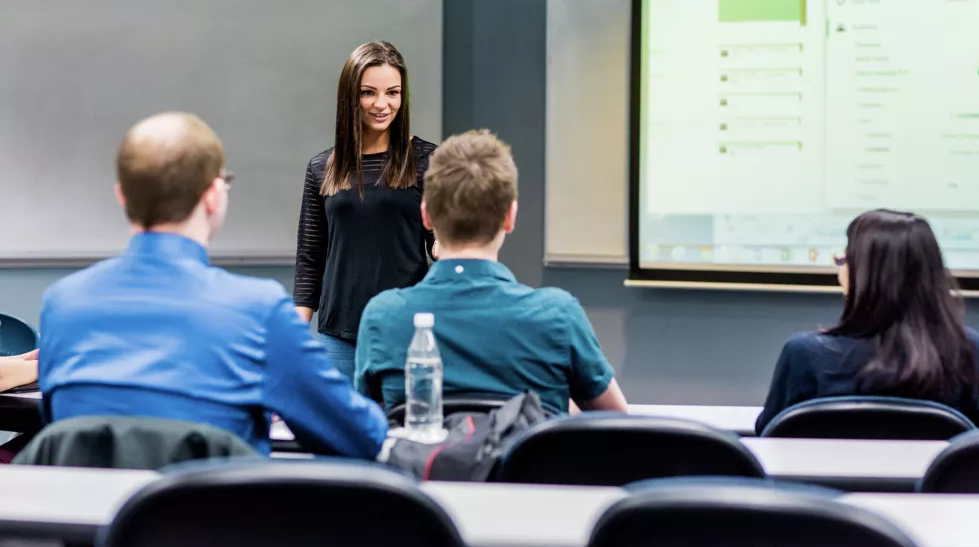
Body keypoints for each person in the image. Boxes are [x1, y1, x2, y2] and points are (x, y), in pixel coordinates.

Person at [37, 112, 387, 457]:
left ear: (122, 196)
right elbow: (362, 436)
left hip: (104, 513)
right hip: (216, 515)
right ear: (213, 196)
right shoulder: (258, 313)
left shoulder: (62, 307)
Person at [355, 129, 628, 416]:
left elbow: (363, 431)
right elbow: (618, 428)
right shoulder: (558, 316)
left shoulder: (382, 318)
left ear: (426, 214)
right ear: (510, 216)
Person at [755, 209, 979, 434]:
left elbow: (768, 434)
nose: (838, 266)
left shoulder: (803, 354)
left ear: (862, 275)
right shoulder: (970, 351)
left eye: (844, 258)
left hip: (827, 485)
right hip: (934, 486)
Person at [294, 41, 437, 379]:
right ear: (350, 97)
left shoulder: (428, 161)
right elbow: (310, 261)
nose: (382, 104)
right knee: (336, 431)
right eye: (368, 93)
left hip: (406, 330)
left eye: (393, 92)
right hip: (338, 335)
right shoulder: (322, 168)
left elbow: (440, 245)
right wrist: (295, 340)